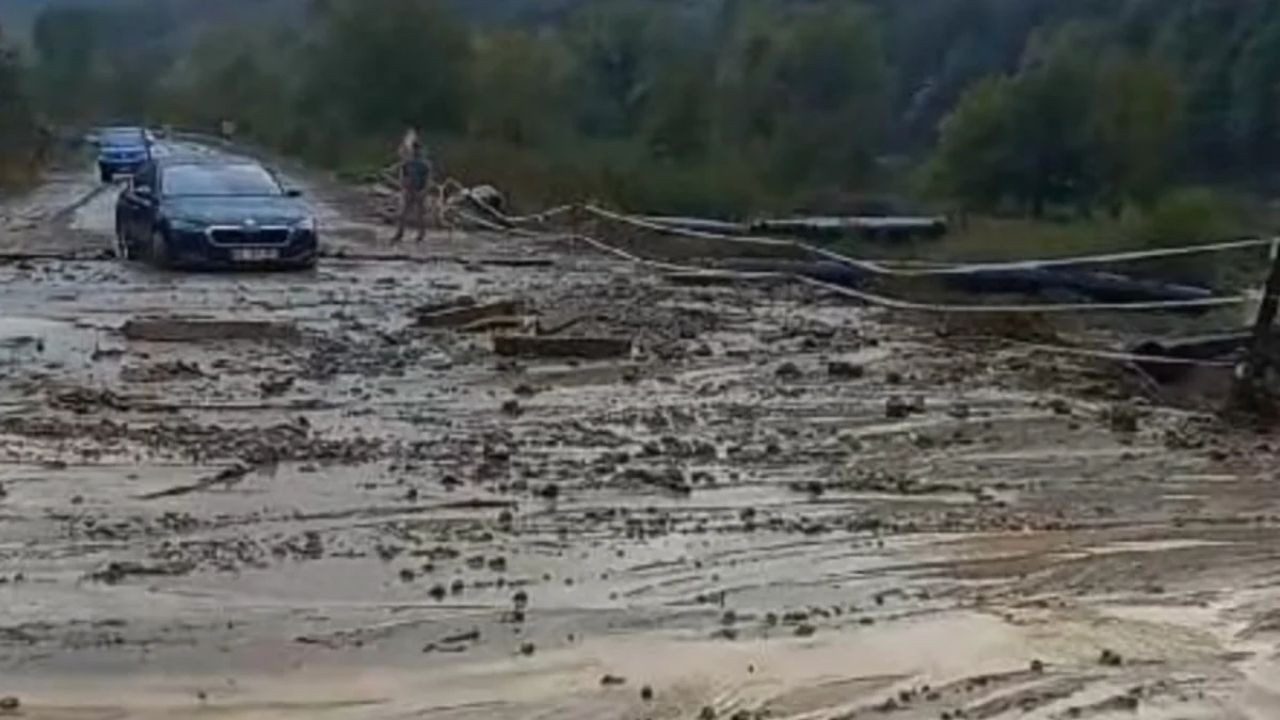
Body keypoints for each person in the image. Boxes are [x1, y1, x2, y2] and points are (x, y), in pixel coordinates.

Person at [392, 131, 432, 243]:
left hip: (420, 191)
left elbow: (428, 178)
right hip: (409, 191)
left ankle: (421, 235)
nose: (416, 151)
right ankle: (399, 234)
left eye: (417, 149)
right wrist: (403, 186)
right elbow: (402, 175)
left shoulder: (424, 164)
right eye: (415, 149)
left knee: (420, 215)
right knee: (402, 214)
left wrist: (424, 190)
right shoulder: (407, 162)